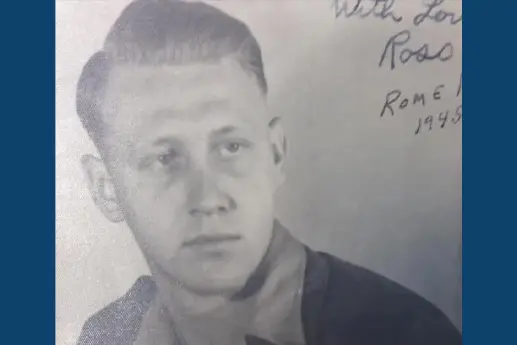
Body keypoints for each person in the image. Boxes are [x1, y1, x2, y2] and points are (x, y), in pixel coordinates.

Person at [75, 1, 462, 344]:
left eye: (231, 147)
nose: (209, 199)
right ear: (106, 188)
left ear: (275, 155)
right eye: (165, 159)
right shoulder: (109, 336)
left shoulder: (401, 332)